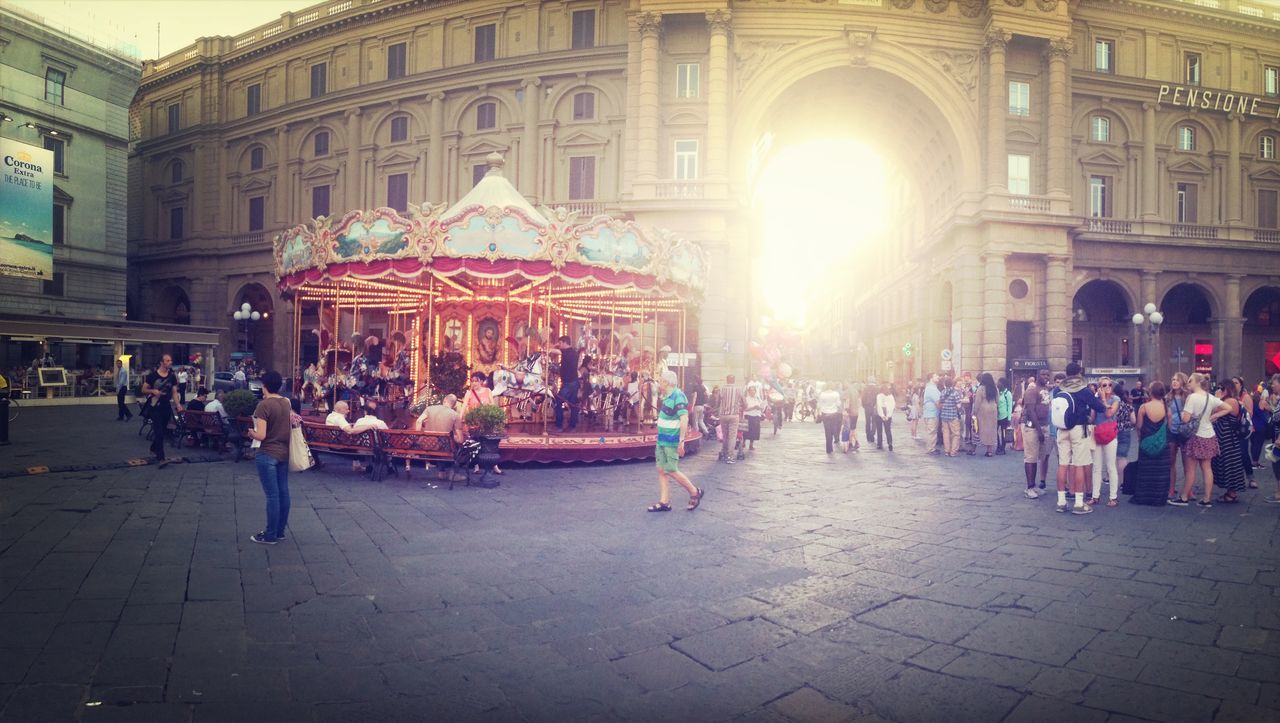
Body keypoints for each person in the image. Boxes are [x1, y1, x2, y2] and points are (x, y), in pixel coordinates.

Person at [1053, 362, 1108, 515]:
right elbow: (1099, 408)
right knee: (1079, 464)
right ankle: (1078, 503)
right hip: (1078, 429)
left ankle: (1061, 501)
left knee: (1063, 464)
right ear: (1078, 374)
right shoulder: (1083, 390)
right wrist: (1103, 399)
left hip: (1061, 429)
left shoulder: (1058, 390)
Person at [1171, 372, 1231, 507]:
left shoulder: (1192, 397)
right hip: (1209, 435)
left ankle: (1184, 497)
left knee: (1191, 469)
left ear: (1197, 383)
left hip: (1195, 436)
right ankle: (1206, 499)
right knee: (1207, 468)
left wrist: (1182, 414)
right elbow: (1228, 408)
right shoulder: (1210, 397)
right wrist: (1214, 417)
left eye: (1190, 380)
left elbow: (1185, 419)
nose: (1188, 383)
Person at [647, 370, 703, 513]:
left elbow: (684, 418)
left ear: (666, 382)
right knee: (661, 470)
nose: (659, 383)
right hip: (662, 439)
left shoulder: (678, 396)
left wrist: (681, 440)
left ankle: (694, 491)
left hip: (671, 441)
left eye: (660, 381)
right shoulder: (667, 396)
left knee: (671, 469)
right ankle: (664, 502)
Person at [246, 370, 291, 545]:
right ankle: (279, 531)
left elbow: (262, 435)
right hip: (283, 453)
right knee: (283, 493)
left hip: (267, 453)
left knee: (272, 496)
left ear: (264, 386)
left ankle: (270, 534)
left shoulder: (263, 406)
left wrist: (251, 433)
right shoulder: (286, 403)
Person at [1131, 381, 1171, 505]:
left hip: (1146, 442)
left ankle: (1144, 496)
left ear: (1150, 392)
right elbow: (1169, 427)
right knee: (1160, 471)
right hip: (1162, 445)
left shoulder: (1144, 407)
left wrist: (1140, 437)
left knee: (1146, 471)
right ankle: (1158, 497)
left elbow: (1139, 426)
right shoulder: (1166, 408)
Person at [141, 354, 183, 463]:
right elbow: (143, 389)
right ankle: (161, 458)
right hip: (155, 406)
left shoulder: (172, 376)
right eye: (167, 360)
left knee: (163, 430)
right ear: (162, 362)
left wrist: (178, 404)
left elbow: (174, 392)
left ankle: (153, 448)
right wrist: (153, 391)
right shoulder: (152, 376)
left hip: (166, 406)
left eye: (170, 360)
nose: (170, 362)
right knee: (158, 431)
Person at [1210, 381, 1246, 505]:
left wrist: (1217, 398)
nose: (1219, 389)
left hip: (1227, 438)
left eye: (1221, 387)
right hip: (1225, 437)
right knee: (1227, 463)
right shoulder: (1230, 400)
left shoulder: (1230, 401)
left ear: (1227, 389)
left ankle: (1232, 493)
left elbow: (1213, 411)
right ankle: (1230, 492)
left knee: (1229, 463)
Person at [415, 394, 466, 480]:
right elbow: (460, 440)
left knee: (441, 443)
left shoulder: (429, 409)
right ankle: (453, 474)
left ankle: (441, 472)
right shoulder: (455, 415)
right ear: (454, 405)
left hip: (426, 445)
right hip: (443, 448)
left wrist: (418, 436)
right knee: (459, 447)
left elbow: (419, 421)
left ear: (444, 400)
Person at [462, 372, 503, 476]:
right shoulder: (469, 393)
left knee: (490, 444)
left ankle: (495, 466)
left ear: (481, 381)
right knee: (475, 443)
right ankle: (476, 466)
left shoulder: (488, 391)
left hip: (486, 423)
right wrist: (460, 417)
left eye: (476, 381)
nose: (474, 383)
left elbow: (492, 406)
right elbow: (463, 407)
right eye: (472, 381)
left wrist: (494, 418)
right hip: (474, 423)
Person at [1090, 376, 1121, 507]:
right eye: (1104, 385)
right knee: (1096, 467)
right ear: (1099, 387)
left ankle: (1113, 497)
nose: (1107, 387)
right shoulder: (1095, 400)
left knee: (1110, 466)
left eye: (1109, 385)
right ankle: (1095, 496)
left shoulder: (1116, 399)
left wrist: (1103, 400)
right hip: (1097, 433)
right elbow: (1092, 418)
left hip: (1110, 434)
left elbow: (1109, 414)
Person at [1021, 375, 1050, 498]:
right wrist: (1039, 430)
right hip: (1033, 428)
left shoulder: (1046, 389)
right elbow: (1031, 411)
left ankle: (1034, 486)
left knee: (1039, 457)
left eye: (1048, 374)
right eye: (1043, 374)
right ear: (1038, 376)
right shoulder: (1031, 390)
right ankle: (1029, 487)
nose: (1046, 376)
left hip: (1044, 426)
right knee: (1030, 458)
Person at [1167, 372, 1191, 499]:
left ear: (1183, 382)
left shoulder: (1188, 396)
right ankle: (1171, 489)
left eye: (1177, 380)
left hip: (1185, 431)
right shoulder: (1168, 397)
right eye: (1173, 379)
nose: (1174, 382)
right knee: (1171, 461)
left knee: (1187, 463)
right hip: (1172, 431)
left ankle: (1189, 490)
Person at [554, 335, 580, 432]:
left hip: (568, 383)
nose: (559, 345)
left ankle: (559, 425)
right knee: (573, 404)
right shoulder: (574, 352)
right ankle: (572, 425)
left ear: (565, 342)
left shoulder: (566, 352)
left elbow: (555, 351)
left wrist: (553, 346)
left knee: (559, 401)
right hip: (574, 381)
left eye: (561, 343)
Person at [717, 374, 743, 464]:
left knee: (725, 435)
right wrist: (742, 407)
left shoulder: (722, 389)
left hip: (723, 415)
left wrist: (718, 409)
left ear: (727, 380)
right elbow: (744, 402)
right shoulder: (738, 389)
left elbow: (718, 401)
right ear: (734, 380)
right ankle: (730, 456)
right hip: (734, 415)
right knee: (732, 436)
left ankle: (724, 453)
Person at [973, 373, 998, 457]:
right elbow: (998, 400)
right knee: (991, 430)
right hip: (993, 409)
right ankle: (989, 451)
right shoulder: (995, 388)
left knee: (979, 428)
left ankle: (974, 449)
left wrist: (974, 411)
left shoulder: (981, 388)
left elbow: (977, 401)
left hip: (983, 410)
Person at [939, 377, 963, 457]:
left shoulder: (942, 392)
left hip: (944, 416)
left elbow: (941, 403)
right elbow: (959, 405)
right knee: (956, 434)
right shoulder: (955, 393)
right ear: (952, 383)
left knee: (946, 434)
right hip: (953, 416)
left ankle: (947, 451)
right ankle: (953, 452)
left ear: (945, 384)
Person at [816, 382, 842, 454]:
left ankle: (829, 448)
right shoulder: (836, 394)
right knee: (833, 429)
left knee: (827, 431)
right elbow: (838, 404)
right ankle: (835, 438)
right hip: (834, 414)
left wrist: (818, 414)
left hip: (825, 414)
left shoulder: (822, 394)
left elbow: (819, 405)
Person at [743, 383, 765, 452]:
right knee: (746, 431)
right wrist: (753, 407)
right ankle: (743, 442)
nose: (752, 392)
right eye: (751, 390)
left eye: (753, 390)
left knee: (754, 432)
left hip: (756, 416)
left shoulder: (758, 398)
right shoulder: (746, 399)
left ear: (755, 391)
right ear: (748, 392)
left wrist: (760, 408)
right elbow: (745, 409)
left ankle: (751, 444)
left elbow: (762, 407)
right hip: (748, 416)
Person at [922, 374, 941, 455]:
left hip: (929, 412)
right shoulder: (932, 388)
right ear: (931, 378)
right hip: (932, 413)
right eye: (936, 376)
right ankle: (931, 449)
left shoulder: (930, 387)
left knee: (930, 431)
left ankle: (931, 448)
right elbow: (937, 402)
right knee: (932, 432)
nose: (938, 377)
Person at [875, 383, 895, 451]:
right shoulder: (890, 396)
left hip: (879, 415)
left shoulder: (879, 396)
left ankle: (879, 444)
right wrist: (888, 416)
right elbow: (892, 406)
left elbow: (879, 406)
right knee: (888, 430)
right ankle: (890, 443)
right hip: (888, 413)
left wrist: (882, 415)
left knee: (879, 430)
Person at [996, 377, 1013, 455]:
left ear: (1003, 384)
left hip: (1004, 416)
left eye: (999, 382)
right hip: (996, 416)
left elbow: (1010, 406)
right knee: (996, 432)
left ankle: (1003, 448)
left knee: (1003, 433)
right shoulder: (998, 392)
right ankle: (998, 446)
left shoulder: (1007, 393)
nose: (997, 384)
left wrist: (1009, 419)